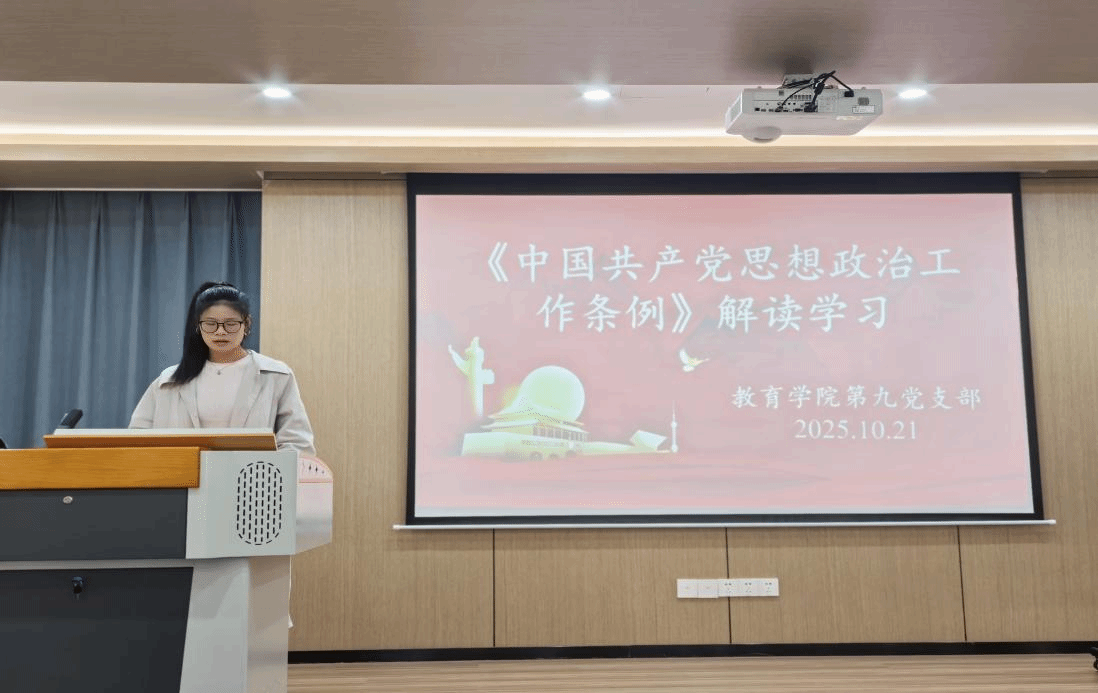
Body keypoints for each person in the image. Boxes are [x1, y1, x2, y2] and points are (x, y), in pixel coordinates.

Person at [129, 281, 314, 453]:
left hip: (252, 476)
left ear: (247, 324)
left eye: (230, 324)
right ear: (198, 326)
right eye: (210, 324)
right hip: (182, 476)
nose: (220, 332)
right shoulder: (168, 381)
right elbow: (135, 441)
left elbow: (297, 444)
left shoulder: (276, 375)